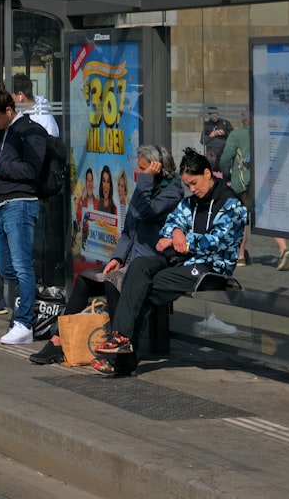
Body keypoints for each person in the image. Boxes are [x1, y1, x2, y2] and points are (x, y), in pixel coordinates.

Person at [92, 148, 248, 375]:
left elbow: (217, 242)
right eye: (188, 186)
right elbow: (171, 224)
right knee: (140, 266)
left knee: (144, 288)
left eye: (194, 183)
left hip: (211, 267)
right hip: (182, 260)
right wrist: (175, 231)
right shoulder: (191, 202)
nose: (192, 190)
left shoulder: (232, 205)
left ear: (207, 173)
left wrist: (185, 240)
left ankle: (122, 358)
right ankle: (121, 338)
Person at [30, 145, 182, 366]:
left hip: (152, 261)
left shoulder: (172, 192)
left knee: (113, 284)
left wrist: (145, 181)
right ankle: (57, 340)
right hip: (130, 260)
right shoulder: (144, 188)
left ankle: (119, 351)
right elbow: (129, 229)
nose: (138, 173)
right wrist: (117, 257)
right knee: (84, 281)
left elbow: (143, 212)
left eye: (143, 168)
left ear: (157, 169)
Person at [0, 87, 47, 345]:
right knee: (6, 267)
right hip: (3, 205)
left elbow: (31, 170)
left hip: (21, 203)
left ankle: (24, 323)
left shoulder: (31, 131)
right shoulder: (5, 133)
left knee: (22, 265)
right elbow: (9, 168)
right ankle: (33, 300)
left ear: (9, 110)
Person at [219, 111, 289, 269]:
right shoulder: (265, 134)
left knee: (241, 219)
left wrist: (226, 174)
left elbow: (225, 158)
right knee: (265, 214)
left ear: (244, 121)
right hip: (265, 181)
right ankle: (283, 247)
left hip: (244, 183)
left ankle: (240, 256)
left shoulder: (236, 135)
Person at [11, 73, 58, 137]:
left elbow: (52, 143)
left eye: (10, 97)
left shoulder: (44, 119)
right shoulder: (19, 114)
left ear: (20, 95)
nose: (9, 100)